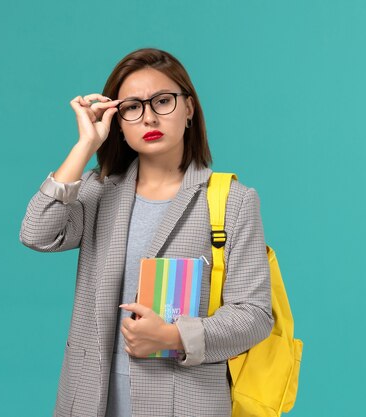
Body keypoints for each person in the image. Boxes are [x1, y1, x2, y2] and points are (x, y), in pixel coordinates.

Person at [19, 48, 273, 417]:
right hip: (91, 400)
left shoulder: (232, 200)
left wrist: (175, 337)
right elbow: (37, 233)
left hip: (185, 403)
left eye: (163, 101)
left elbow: (254, 315)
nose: (149, 117)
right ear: (117, 121)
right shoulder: (97, 191)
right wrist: (85, 145)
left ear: (189, 109)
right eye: (132, 107)